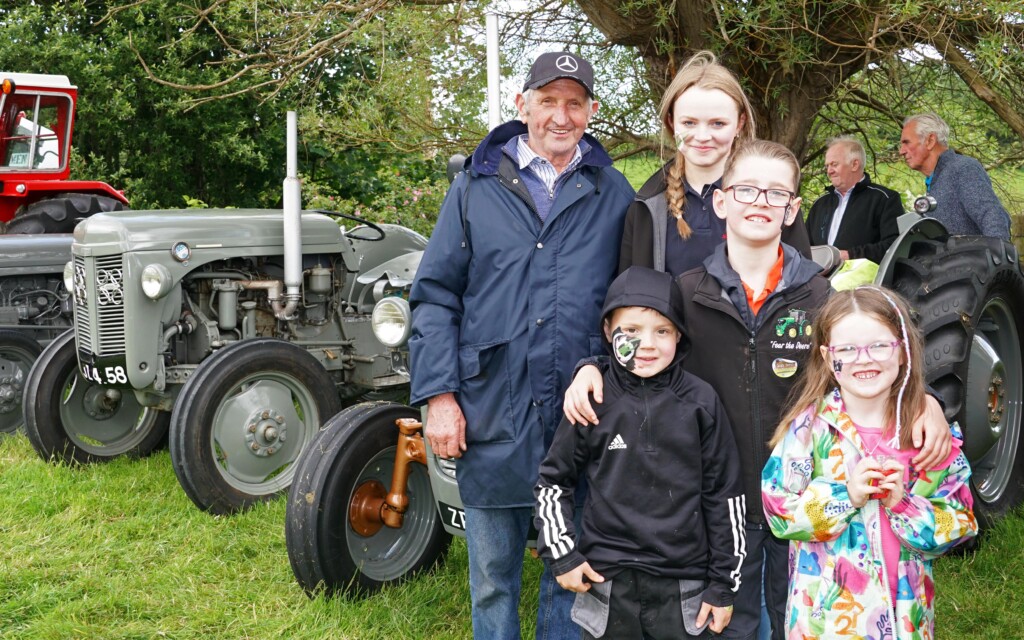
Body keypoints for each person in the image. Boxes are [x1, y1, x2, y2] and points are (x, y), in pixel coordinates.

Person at [561, 140, 952, 640]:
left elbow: (869, 359)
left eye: (775, 194)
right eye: (747, 189)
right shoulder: (686, 291)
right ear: (722, 202)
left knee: (803, 619)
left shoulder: (818, 295)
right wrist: (591, 367)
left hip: (802, 498)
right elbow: (642, 347)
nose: (760, 202)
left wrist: (926, 401)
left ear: (792, 209)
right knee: (727, 625)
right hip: (716, 505)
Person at [408, 50, 635, 640]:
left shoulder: (613, 192)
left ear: (590, 110)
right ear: (523, 104)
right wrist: (439, 397)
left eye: (575, 103)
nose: (561, 116)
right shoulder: (474, 188)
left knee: (573, 575)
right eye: (549, 100)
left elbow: (632, 302)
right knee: (491, 575)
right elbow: (435, 297)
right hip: (490, 409)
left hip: (580, 413)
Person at [535, 266, 745, 639]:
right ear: (606, 331)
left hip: (684, 586)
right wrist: (563, 555)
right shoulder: (592, 401)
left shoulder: (700, 402)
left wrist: (723, 584)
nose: (647, 344)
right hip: (607, 584)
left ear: (678, 335)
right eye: (630, 331)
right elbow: (553, 482)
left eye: (662, 331)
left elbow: (725, 495)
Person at [762, 286, 978, 638]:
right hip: (826, 626)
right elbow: (778, 512)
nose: (864, 359)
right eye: (847, 349)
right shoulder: (808, 429)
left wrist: (903, 506)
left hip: (905, 622)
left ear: (904, 351)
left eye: (879, 345)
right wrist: (846, 496)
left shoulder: (928, 436)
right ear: (829, 357)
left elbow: (961, 521)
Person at [618, 50, 810, 277]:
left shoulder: (773, 198)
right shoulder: (646, 204)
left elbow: (803, 289)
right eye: (689, 122)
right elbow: (628, 295)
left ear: (740, 124)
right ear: (671, 123)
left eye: (718, 124)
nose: (702, 136)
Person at [899, 112, 1011, 239]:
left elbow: (992, 216)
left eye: (906, 142)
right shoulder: (937, 178)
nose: (901, 151)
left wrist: (998, 255)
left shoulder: (963, 168)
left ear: (930, 141)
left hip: (972, 258)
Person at [806, 136, 901, 263]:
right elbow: (804, 247)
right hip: (818, 279)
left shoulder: (884, 199)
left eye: (834, 164)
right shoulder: (820, 204)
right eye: (827, 166)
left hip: (863, 280)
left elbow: (894, 246)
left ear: (854, 164)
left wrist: (850, 255)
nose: (829, 171)